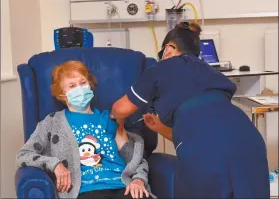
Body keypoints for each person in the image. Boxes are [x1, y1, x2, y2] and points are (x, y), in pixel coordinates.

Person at [111, 22, 270, 198]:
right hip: (249, 140)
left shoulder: (161, 67)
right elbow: (208, 130)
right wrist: (160, 128)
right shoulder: (210, 71)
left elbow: (121, 108)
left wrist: (109, 117)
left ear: (168, 49)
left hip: (206, 152)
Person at [16, 60, 154, 199]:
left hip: (123, 186)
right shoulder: (52, 122)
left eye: (83, 83)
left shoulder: (109, 119)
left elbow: (135, 158)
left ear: (90, 85)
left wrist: (138, 180)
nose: (80, 89)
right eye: (72, 86)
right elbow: (24, 155)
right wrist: (55, 165)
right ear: (61, 94)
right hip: (87, 190)